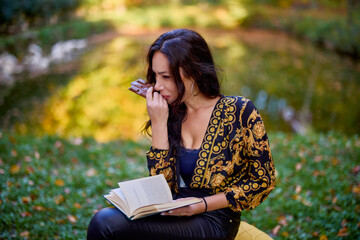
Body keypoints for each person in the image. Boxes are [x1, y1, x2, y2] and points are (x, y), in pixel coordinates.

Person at [87, 28, 276, 240]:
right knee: (105, 219)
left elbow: (263, 181)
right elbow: (164, 188)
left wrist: (202, 205)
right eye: (155, 76)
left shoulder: (239, 110)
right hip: (177, 209)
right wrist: (159, 122)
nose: (157, 86)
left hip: (216, 220)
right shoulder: (173, 113)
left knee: (105, 224)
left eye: (165, 76)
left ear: (193, 72)